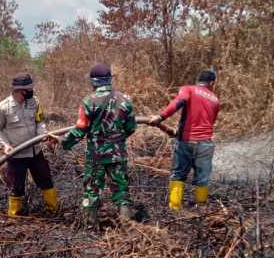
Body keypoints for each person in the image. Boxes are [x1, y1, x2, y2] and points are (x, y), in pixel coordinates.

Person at [60, 63, 136, 227]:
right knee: (121, 191)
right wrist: (118, 140)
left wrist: (65, 142)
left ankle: (90, 226)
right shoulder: (125, 100)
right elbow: (131, 127)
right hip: (118, 155)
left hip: (96, 156)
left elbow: (81, 129)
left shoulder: (88, 101)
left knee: (91, 191)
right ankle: (129, 227)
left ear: (94, 81)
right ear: (109, 80)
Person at [149, 70, 219, 210]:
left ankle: (174, 208)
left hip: (186, 141)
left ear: (198, 80)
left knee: (178, 175)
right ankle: (201, 208)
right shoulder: (215, 99)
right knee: (202, 177)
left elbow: (179, 102)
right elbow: (209, 121)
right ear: (212, 83)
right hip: (205, 143)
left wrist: (160, 117)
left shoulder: (188, 89)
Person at [0, 73, 58, 217]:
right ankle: (14, 217)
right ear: (21, 90)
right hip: (17, 154)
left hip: (35, 152)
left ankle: (53, 210)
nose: (32, 91)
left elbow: (39, 121)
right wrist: (5, 145)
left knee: (46, 180)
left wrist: (44, 134)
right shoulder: (3, 108)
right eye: (29, 89)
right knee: (16, 187)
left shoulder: (34, 102)